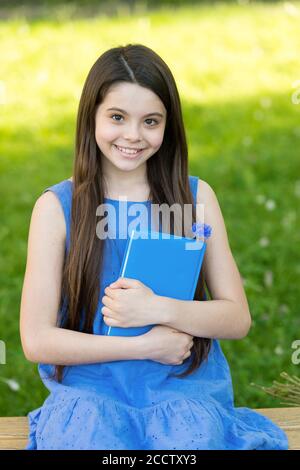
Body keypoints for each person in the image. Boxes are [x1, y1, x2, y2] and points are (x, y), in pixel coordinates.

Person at [20, 44, 288, 450]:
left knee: (188, 444)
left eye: (150, 121)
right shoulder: (57, 208)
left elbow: (237, 319)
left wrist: (158, 309)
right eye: (116, 117)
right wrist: (144, 344)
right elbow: (37, 339)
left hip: (180, 386)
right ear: (90, 118)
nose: (132, 135)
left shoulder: (194, 199)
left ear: (169, 126)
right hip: (93, 391)